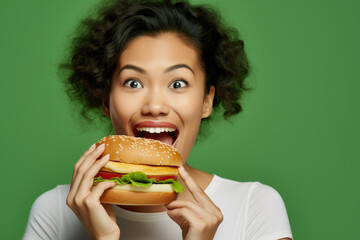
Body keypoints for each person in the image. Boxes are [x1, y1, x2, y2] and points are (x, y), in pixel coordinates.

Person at [23, 0, 293, 239]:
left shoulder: (255, 206)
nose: (154, 106)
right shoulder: (56, 211)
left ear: (207, 101)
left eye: (177, 83)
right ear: (106, 100)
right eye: (133, 82)